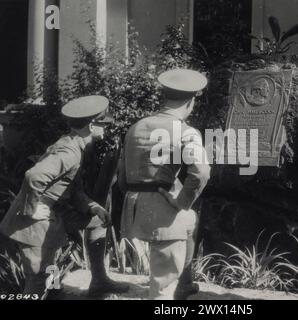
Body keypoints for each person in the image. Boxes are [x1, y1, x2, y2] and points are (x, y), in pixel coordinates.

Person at [0, 96, 128, 298]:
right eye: (103, 124)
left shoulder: (76, 145)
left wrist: (92, 206)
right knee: (38, 278)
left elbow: (73, 189)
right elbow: (34, 176)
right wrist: (32, 208)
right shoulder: (69, 152)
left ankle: (99, 280)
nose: (106, 128)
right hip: (33, 222)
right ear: (91, 125)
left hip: (56, 212)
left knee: (97, 221)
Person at [118, 69, 211, 300]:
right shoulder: (186, 132)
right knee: (162, 291)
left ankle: (185, 283)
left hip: (133, 208)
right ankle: (175, 289)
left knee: (191, 220)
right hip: (164, 212)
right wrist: (182, 202)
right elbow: (201, 172)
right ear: (190, 102)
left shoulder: (136, 127)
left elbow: (121, 173)